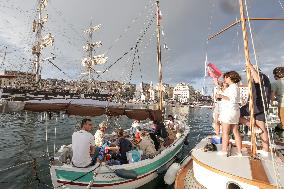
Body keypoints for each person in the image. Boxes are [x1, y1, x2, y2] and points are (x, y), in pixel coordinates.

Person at [240, 63, 271, 156]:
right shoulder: (262, 78)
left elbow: (257, 80)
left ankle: (252, 126)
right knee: (262, 127)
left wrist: (251, 67)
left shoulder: (260, 76)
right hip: (260, 105)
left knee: (235, 114)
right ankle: (266, 150)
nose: (247, 74)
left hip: (256, 105)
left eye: (247, 71)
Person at [216, 71, 242, 156]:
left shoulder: (233, 87)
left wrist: (220, 96)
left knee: (225, 132)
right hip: (233, 112)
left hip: (228, 112)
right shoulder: (233, 87)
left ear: (231, 77)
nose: (225, 79)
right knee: (235, 131)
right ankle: (239, 151)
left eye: (226, 77)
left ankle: (224, 151)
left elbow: (232, 99)